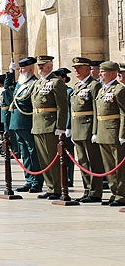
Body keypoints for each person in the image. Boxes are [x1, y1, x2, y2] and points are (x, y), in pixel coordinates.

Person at [29, 55, 69, 199]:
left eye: (42, 65)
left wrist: (60, 127)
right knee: (43, 160)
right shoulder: (38, 83)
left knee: (52, 158)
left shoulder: (56, 82)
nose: (39, 67)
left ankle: (57, 188)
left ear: (50, 66)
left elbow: (62, 107)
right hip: (38, 124)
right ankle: (50, 187)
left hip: (50, 125)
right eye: (38, 65)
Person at [69, 57, 102, 202]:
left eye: (79, 67)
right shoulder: (77, 86)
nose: (75, 70)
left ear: (87, 68)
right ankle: (87, 189)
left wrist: (95, 131)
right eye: (75, 67)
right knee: (82, 161)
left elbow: (96, 111)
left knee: (93, 161)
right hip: (77, 129)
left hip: (88, 128)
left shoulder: (94, 85)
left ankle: (95, 192)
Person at [93, 61, 125, 206]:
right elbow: (96, 114)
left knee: (119, 166)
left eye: (103, 71)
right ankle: (114, 192)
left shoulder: (119, 90)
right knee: (109, 166)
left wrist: (122, 134)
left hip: (114, 132)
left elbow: (123, 113)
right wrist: (95, 132)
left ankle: (121, 194)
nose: (100, 74)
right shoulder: (101, 90)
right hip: (102, 132)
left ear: (112, 73)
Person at [9, 57, 42, 193]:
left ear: (30, 68)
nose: (21, 70)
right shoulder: (20, 83)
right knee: (24, 153)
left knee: (32, 152)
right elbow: (8, 89)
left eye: (23, 68)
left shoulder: (34, 83)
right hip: (17, 122)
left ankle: (36, 181)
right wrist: (10, 72)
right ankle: (28, 179)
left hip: (27, 121)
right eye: (20, 68)